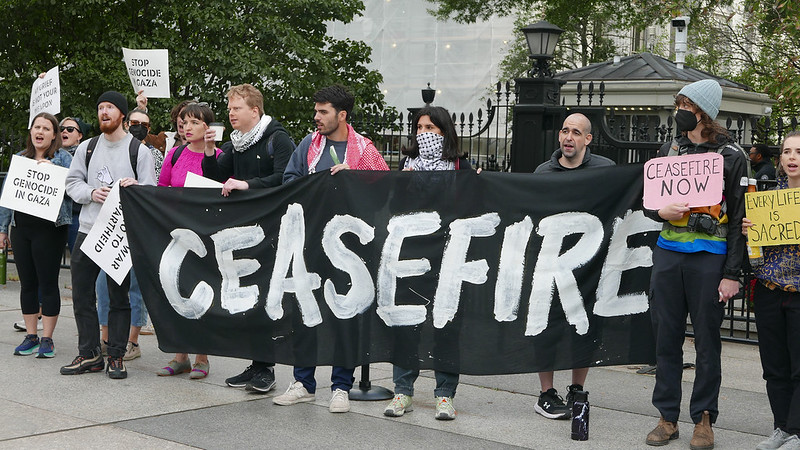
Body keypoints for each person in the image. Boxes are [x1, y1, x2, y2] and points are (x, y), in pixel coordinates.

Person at [644, 79, 747, 449]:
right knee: (666, 338)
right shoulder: (670, 148)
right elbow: (648, 201)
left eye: (685, 103)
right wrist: (660, 211)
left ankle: (703, 419)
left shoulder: (732, 156)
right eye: (678, 103)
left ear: (703, 110)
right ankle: (666, 417)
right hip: (669, 254)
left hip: (710, 258)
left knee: (707, 341)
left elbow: (738, 218)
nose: (679, 110)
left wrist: (733, 274)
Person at [276, 84, 389, 413]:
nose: (316, 117)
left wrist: (353, 176)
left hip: (348, 249)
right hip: (310, 242)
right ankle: (303, 383)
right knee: (305, 312)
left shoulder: (364, 149)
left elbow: (383, 189)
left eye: (323, 111)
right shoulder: (309, 145)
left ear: (341, 115)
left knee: (345, 316)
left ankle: (341, 387)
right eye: (316, 110)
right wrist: (319, 182)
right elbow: (289, 180)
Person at [203, 83, 295, 392]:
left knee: (266, 297)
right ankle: (255, 364)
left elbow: (286, 179)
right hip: (243, 231)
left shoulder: (278, 139)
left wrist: (248, 184)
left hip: (271, 231)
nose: (230, 113)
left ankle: (266, 368)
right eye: (229, 108)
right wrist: (208, 151)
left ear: (254, 111)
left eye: (236, 108)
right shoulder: (235, 143)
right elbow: (216, 176)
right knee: (248, 297)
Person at [382, 105, 470, 421]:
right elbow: (393, 208)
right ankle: (402, 391)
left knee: (446, 326)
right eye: (419, 128)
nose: (424, 134)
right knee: (407, 325)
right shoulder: (408, 165)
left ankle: (445, 395)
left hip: (449, 258)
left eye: (431, 129)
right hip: (412, 259)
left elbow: (473, 207)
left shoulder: (461, 167)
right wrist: (401, 183)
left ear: (444, 133)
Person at [61, 91, 156, 379]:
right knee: (82, 294)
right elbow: (72, 182)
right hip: (89, 231)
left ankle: (116, 355)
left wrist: (135, 186)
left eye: (110, 108)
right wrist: (90, 193)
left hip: (119, 234)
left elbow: (150, 191)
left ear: (122, 115)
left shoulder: (139, 151)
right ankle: (89, 353)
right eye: (100, 107)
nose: (104, 112)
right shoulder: (87, 148)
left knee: (118, 296)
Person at [531, 112, 614, 419]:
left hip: (590, 265)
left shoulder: (605, 170)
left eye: (576, 132)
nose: (568, 137)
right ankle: (545, 393)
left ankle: (577, 388)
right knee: (548, 327)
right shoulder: (543, 172)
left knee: (586, 328)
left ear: (588, 139)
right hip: (551, 264)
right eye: (564, 131)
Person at [156, 102, 222, 379]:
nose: (186, 127)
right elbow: (161, 189)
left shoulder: (219, 155)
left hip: (207, 235)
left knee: (203, 291)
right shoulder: (174, 154)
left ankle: (202, 357)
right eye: (184, 122)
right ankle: (180, 355)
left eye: (194, 122)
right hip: (179, 234)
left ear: (208, 127)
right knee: (176, 290)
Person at [744, 131, 800, 450]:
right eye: (787, 151)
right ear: (779, 159)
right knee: (774, 366)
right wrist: (750, 233)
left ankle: (797, 430)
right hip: (769, 289)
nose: (792, 157)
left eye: (799, 151)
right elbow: (755, 258)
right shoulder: (767, 201)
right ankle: (781, 427)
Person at [0, 112, 72, 358]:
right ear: (31, 131)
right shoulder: (20, 159)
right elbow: (6, 197)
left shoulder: (64, 159)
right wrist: (3, 228)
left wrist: (55, 172)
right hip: (22, 229)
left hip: (51, 230)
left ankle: (48, 339)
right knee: (27, 283)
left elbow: (73, 190)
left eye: (46, 128)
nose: (40, 131)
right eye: (37, 127)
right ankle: (31, 335)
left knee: (48, 283)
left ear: (54, 135)